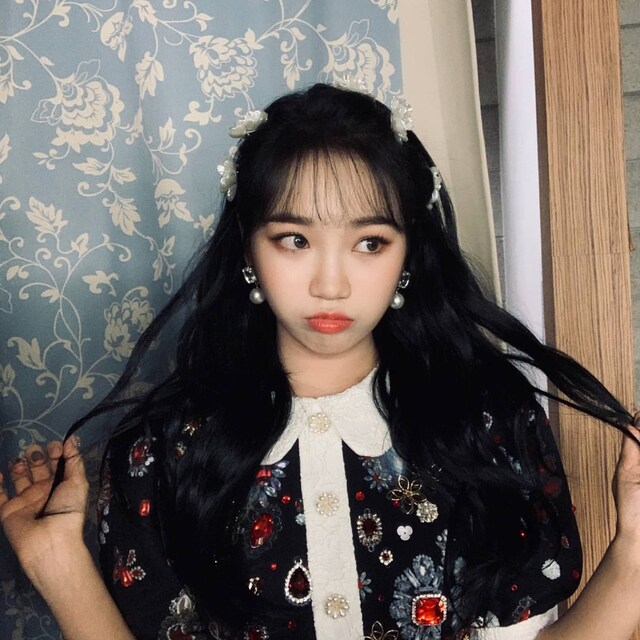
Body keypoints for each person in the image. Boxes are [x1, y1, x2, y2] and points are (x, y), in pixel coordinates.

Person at [1, 83, 640, 640]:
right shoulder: (162, 451)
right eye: (295, 239)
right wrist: (57, 562)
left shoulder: (485, 423)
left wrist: (634, 554)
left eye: (369, 242)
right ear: (248, 249)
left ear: (408, 257)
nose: (330, 285)